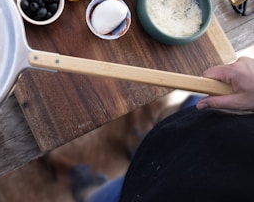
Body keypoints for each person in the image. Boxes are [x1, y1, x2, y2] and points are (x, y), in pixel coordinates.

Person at [69, 56, 254, 202]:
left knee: (100, 196)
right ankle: (138, 144)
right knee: (167, 136)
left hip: (173, 191)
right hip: (214, 137)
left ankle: (85, 185)